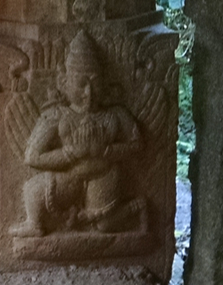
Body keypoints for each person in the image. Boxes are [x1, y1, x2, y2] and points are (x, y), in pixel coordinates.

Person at [11, 32, 145, 240]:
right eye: (81, 84)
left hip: (104, 175)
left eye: (95, 83)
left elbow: (137, 144)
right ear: (64, 82)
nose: (89, 93)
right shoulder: (56, 116)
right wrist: (70, 154)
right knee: (33, 189)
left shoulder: (115, 115)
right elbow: (32, 157)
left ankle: (137, 208)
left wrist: (108, 151)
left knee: (106, 225)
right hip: (70, 175)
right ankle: (34, 224)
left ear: (105, 82)